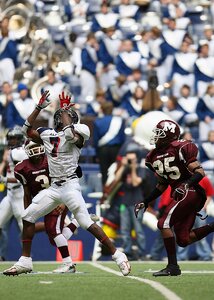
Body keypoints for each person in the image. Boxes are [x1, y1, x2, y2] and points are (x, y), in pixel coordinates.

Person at [3, 90, 131, 276]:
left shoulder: (79, 130)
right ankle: (25, 261)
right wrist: (38, 107)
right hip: (54, 187)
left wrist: (65, 109)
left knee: (86, 223)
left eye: (68, 116)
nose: (65, 118)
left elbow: (71, 135)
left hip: (70, 186)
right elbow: (26, 130)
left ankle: (118, 255)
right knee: (28, 216)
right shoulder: (47, 134)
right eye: (64, 116)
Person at [134, 119, 214, 276]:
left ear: (170, 135)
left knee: (163, 224)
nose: (156, 137)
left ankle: (173, 267)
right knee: (183, 240)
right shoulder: (153, 156)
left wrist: (185, 184)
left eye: (160, 134)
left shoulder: (181, 147)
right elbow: (162, 185)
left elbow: (200, 172)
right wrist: (145, 201)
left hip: (190, 191)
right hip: (180, 193)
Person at [14, 139, 81, 273]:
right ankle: (76, 221)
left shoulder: (52, 159)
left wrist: (64, 201)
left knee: (52, 230)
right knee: (54, 239)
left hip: (59, 198)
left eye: (37, 147)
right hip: (42, 201)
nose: (35, 151)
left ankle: (69, 264)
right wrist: (29, 213)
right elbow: (27, 194)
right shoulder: (22, 168)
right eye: (32, 147)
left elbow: (73, 176)